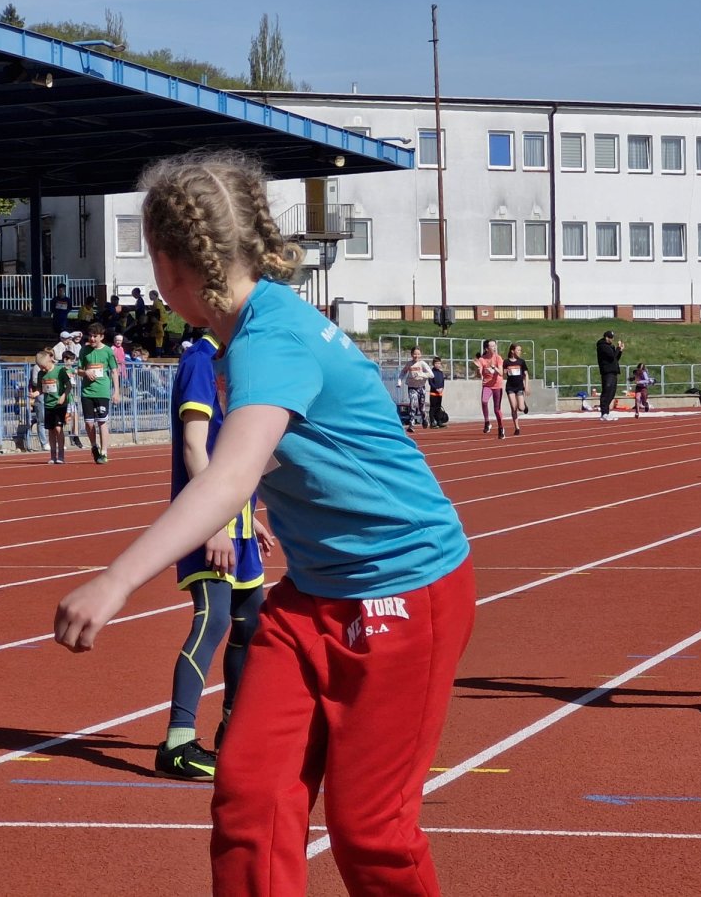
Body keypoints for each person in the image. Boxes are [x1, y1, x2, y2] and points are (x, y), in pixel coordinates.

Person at [53, 148, 475, 896]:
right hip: (314, 594)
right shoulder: (241, 335)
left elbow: (231, 476)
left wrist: (116, 581)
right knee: (251, 798)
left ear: (171, 264)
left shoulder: (270, 338)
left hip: (404, 587)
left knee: (370, 829)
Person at [156, 330, 274, 781]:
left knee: (252, 624)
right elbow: (195, 446)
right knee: (213, 620)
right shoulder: (200, 361)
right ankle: (178, 743)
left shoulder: (234, 358)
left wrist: (248, 516)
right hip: (208, 521)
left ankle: (233, 730)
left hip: (236, 521)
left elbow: (233, 452)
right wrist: (214, 524)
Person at [77, 323, 120, 464]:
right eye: (90, 336)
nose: (92, 339)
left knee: (102, 421)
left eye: (95, 336)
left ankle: (104, 452)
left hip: (102, 391)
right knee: (89, 423)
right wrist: (86, 372)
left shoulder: (108, 351)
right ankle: (94, 446)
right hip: (87, 392)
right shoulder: (84, 350)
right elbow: (78, 370)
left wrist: (116, 392)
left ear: (101, 336)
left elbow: (114, 371)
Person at [34, 349, 71, 464]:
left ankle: (61, 455)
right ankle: (53, 455)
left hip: (59, 404)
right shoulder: (41, 374)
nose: (43, 369)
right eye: (40, 367)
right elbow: (40, 389)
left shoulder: (60, 371)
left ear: (50, 361)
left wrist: (63, 396)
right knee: (50, 430)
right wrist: (35, 394)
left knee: (58, 428)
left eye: (44, 367)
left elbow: (69, 386)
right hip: (48, 404)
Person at [474, 338, 505, 438]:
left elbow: (501, 373)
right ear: (487, 349)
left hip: (497, 386)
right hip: (487, 385)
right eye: (492, 346)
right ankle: (487, 422)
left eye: (495, 345)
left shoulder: (498, 358)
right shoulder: (482, 359)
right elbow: (479, 375)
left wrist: (494, 368)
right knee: (484, 402)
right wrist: (478, 370)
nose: (494, 348)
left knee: (497, 409)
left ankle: (501, 428)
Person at [398, 346, 433, 433]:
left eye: (418, 354)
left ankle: (424, 418)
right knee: (413, 404)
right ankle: (411, 424)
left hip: (421, 387)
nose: (416, 356)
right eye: (414, 354)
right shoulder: (409, 364)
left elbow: (431, 375)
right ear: (411, 354)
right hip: (412, 387)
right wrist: (399, 382)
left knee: (421, 408)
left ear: (420, 355)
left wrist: (421, 374)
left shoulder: (422, 364)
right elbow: (403, 372)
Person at [502, 342, 530, 435]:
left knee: (521, 408)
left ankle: (523, 405)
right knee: (513, 407)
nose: (520, 352)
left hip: (519, 387)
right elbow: (503, 374)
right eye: (518, 350)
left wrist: (526, 386)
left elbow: (526, 375)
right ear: (512, 351)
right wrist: (504, 372)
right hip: (510, 387)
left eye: (520, 350)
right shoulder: (506, 362)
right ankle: (517, 428)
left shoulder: (521, 362)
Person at [595, 329, 624, 421]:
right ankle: (604, 413)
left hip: (613, 371)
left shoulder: (610, 346)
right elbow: (612, 356)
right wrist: (618, 348)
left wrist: (620, 350)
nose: (612, 339)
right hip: (607, 371)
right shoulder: (602, 346)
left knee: (612, 393)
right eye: (611, 338)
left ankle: (606, 412)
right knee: (606, 391)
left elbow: (615, 358)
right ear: (606, 338)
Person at [428, 356, 447, 428]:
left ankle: (439, 421)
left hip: (440, 393)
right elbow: (430, 382)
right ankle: (432, 422)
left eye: (439, 363)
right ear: (433, 364)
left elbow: (442, 382)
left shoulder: (441, 373)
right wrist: (436, 389)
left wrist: (442, 388)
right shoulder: (431, 372)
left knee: (438, 408)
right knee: (432, 408)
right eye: (436, 363)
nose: (438, 365)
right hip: (433, 393)